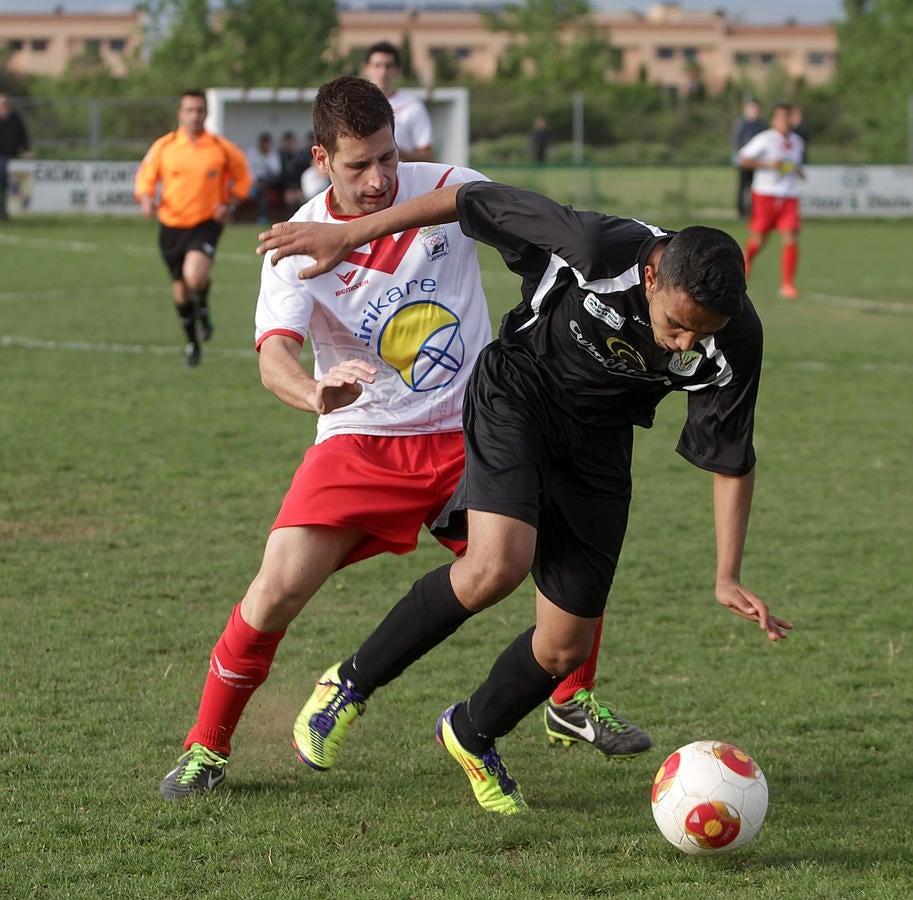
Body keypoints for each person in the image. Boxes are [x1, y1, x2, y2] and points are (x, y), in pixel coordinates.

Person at [157, 76, 648, 801]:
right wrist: (313, 392)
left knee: (569, 549)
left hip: (475, 428)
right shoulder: (294, 240)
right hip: (363, 437)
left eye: (387, 157)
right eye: (358, 165)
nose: (379, 178)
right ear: (322, 158)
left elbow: (534, 229)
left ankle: (570, 699)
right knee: (277, 589)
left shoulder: (446, 189)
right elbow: (274, 358)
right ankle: (206, 747)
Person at [257, 178, 793, 816]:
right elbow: (466, 199)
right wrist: (350, 234)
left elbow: (731, 455)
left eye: (700, 335)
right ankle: (349, 685)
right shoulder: (593, 245)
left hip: (600, 443)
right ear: (652, 279)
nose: (682, 345)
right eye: (677, 326)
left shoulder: (735, 337)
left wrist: (727, 574)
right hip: (519, 392)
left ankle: (472, 731)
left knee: (565, 646)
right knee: (495, 566)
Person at [134, 90, 252, 367]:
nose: (194, 115)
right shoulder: (164, 146)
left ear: (206, 113)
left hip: (206, 222)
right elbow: (145, 177)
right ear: (180, 113)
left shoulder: (220, 147)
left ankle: (203, 304)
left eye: (199, 110)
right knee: (180, 290)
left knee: (195, 275)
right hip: (171, 225)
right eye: (189, 110)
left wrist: (230, 203)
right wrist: (146, 198)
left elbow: (243, 177)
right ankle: (193, 343)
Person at [738, 103, 806, 300]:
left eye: (788, 116)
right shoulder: (765, 139)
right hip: (765, 195)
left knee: (791, 236)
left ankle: (787, 285)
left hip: (789, 195)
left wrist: (798, 171)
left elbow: (793, 165)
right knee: (759, 239)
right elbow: (742, 159)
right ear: (773, 120)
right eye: (781, 117)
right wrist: (767, 165)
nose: (785, 121)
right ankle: (746, 260)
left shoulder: (797, 141)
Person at [363, 40, 434, 162]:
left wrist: (391, 150)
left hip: (401, 172)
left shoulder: (413, 106)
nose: (383, 72)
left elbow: (427, 156)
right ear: (366, 68)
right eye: (377, 65)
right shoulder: (356, 105)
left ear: (397, 70)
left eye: (388, 66)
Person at [731, 98, 764, 219]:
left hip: (757, 162)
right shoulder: (741, 124)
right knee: (743, 186)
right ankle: (741, 211)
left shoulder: (761, 125)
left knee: (756, 186)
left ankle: (754, 211)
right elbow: (737, 142)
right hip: (744, 161)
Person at [0, 93, 32, 221]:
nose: (4, 106)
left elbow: (23, 135)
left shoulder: (15, 118)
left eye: (5, 103)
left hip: (11, 155)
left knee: (11, 181)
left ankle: (6, 209)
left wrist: (26, 150)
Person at [246, 131, 283, 224]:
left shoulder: (272, 154)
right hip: (253, 181)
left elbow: (276, 171)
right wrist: (254, 182)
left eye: (267, 144)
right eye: (264, 143)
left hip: (268, 181)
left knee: (263, 189)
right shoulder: (252, 152)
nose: (265, 146)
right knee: (260, 189)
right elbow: (248, 169)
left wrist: (267, 157)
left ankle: (261, 216)